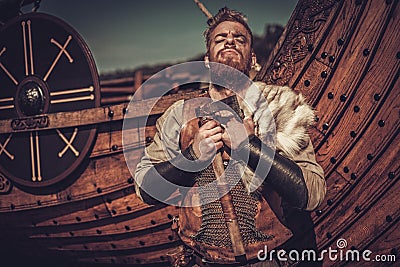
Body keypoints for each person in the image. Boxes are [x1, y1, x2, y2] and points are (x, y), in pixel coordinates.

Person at [134, 7, 326, 267]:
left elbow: (312, 194)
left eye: (240, 38)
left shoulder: (278, 104)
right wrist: (192, 156)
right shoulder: (179, 116)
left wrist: (251, 148)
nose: (229, 40)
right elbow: (145, 189)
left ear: (253, 59)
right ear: (206, 60)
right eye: (220, 38)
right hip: (203, 260)